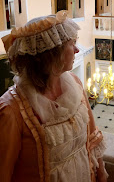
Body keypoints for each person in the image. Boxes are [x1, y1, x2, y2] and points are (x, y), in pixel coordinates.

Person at [0, 10, 108, 182]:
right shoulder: (12, 110)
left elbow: (92, 135)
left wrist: (100, 170)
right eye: (71, 44)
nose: (77, 49)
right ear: (52, 54)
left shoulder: (75, 84)